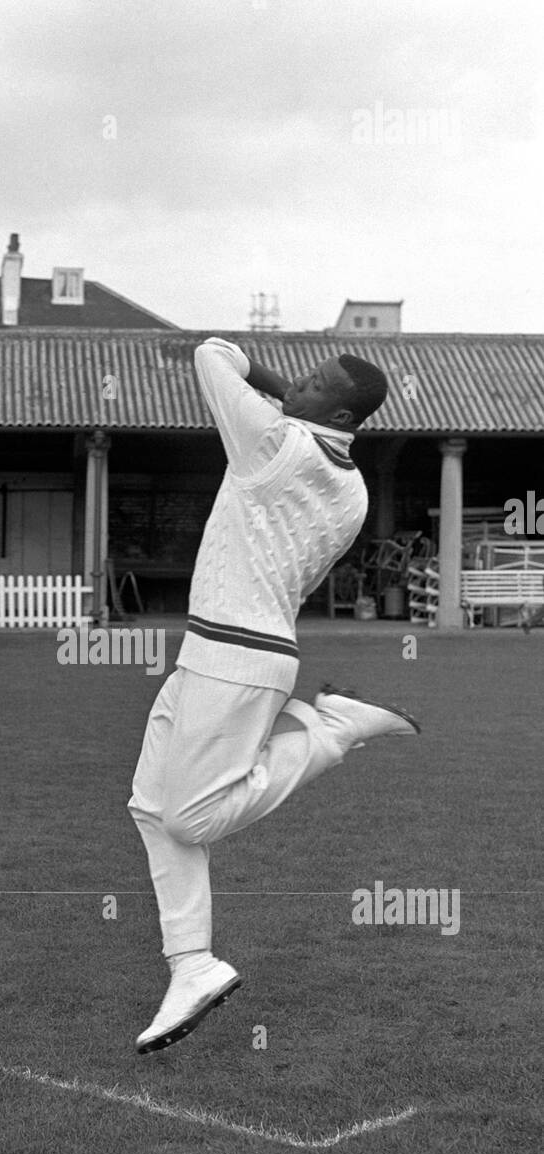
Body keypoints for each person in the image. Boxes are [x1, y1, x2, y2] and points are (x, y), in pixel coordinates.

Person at [128, 338, 420, 1054]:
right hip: (223, 650)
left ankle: (329, 732)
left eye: (314, 380)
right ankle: (191, 963)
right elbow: (310, 420)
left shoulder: (273, 441)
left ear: (343, 410)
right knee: (149, 806)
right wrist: (305, 398)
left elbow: (209, 355)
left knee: (191, 817)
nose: (298, 384)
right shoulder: (353, 488)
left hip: (235, 654)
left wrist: (268, 380)